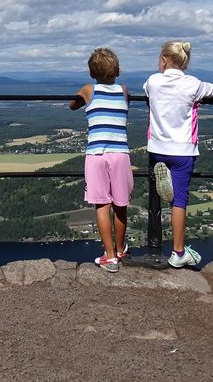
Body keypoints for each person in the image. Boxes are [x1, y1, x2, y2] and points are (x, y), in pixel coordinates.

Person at [143, 40, 213, 268]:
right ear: (186, 61)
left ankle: (165, 186)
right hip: (183, 150)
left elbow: (145, 89)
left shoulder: (153, 81)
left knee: (163, 195)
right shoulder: (193, 85)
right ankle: (178, 252)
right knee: (180, 202)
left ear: (163, 60)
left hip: (157, 148)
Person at [70, 47, 132, 273]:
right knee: (121, 205)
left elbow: (72, 105)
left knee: (102, 205)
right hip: (120, 154)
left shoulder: (89, 89)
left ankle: (109, 256)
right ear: (117, 71)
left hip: (96, 155)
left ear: (90, 73)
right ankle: (120, 249)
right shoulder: (123, 90)